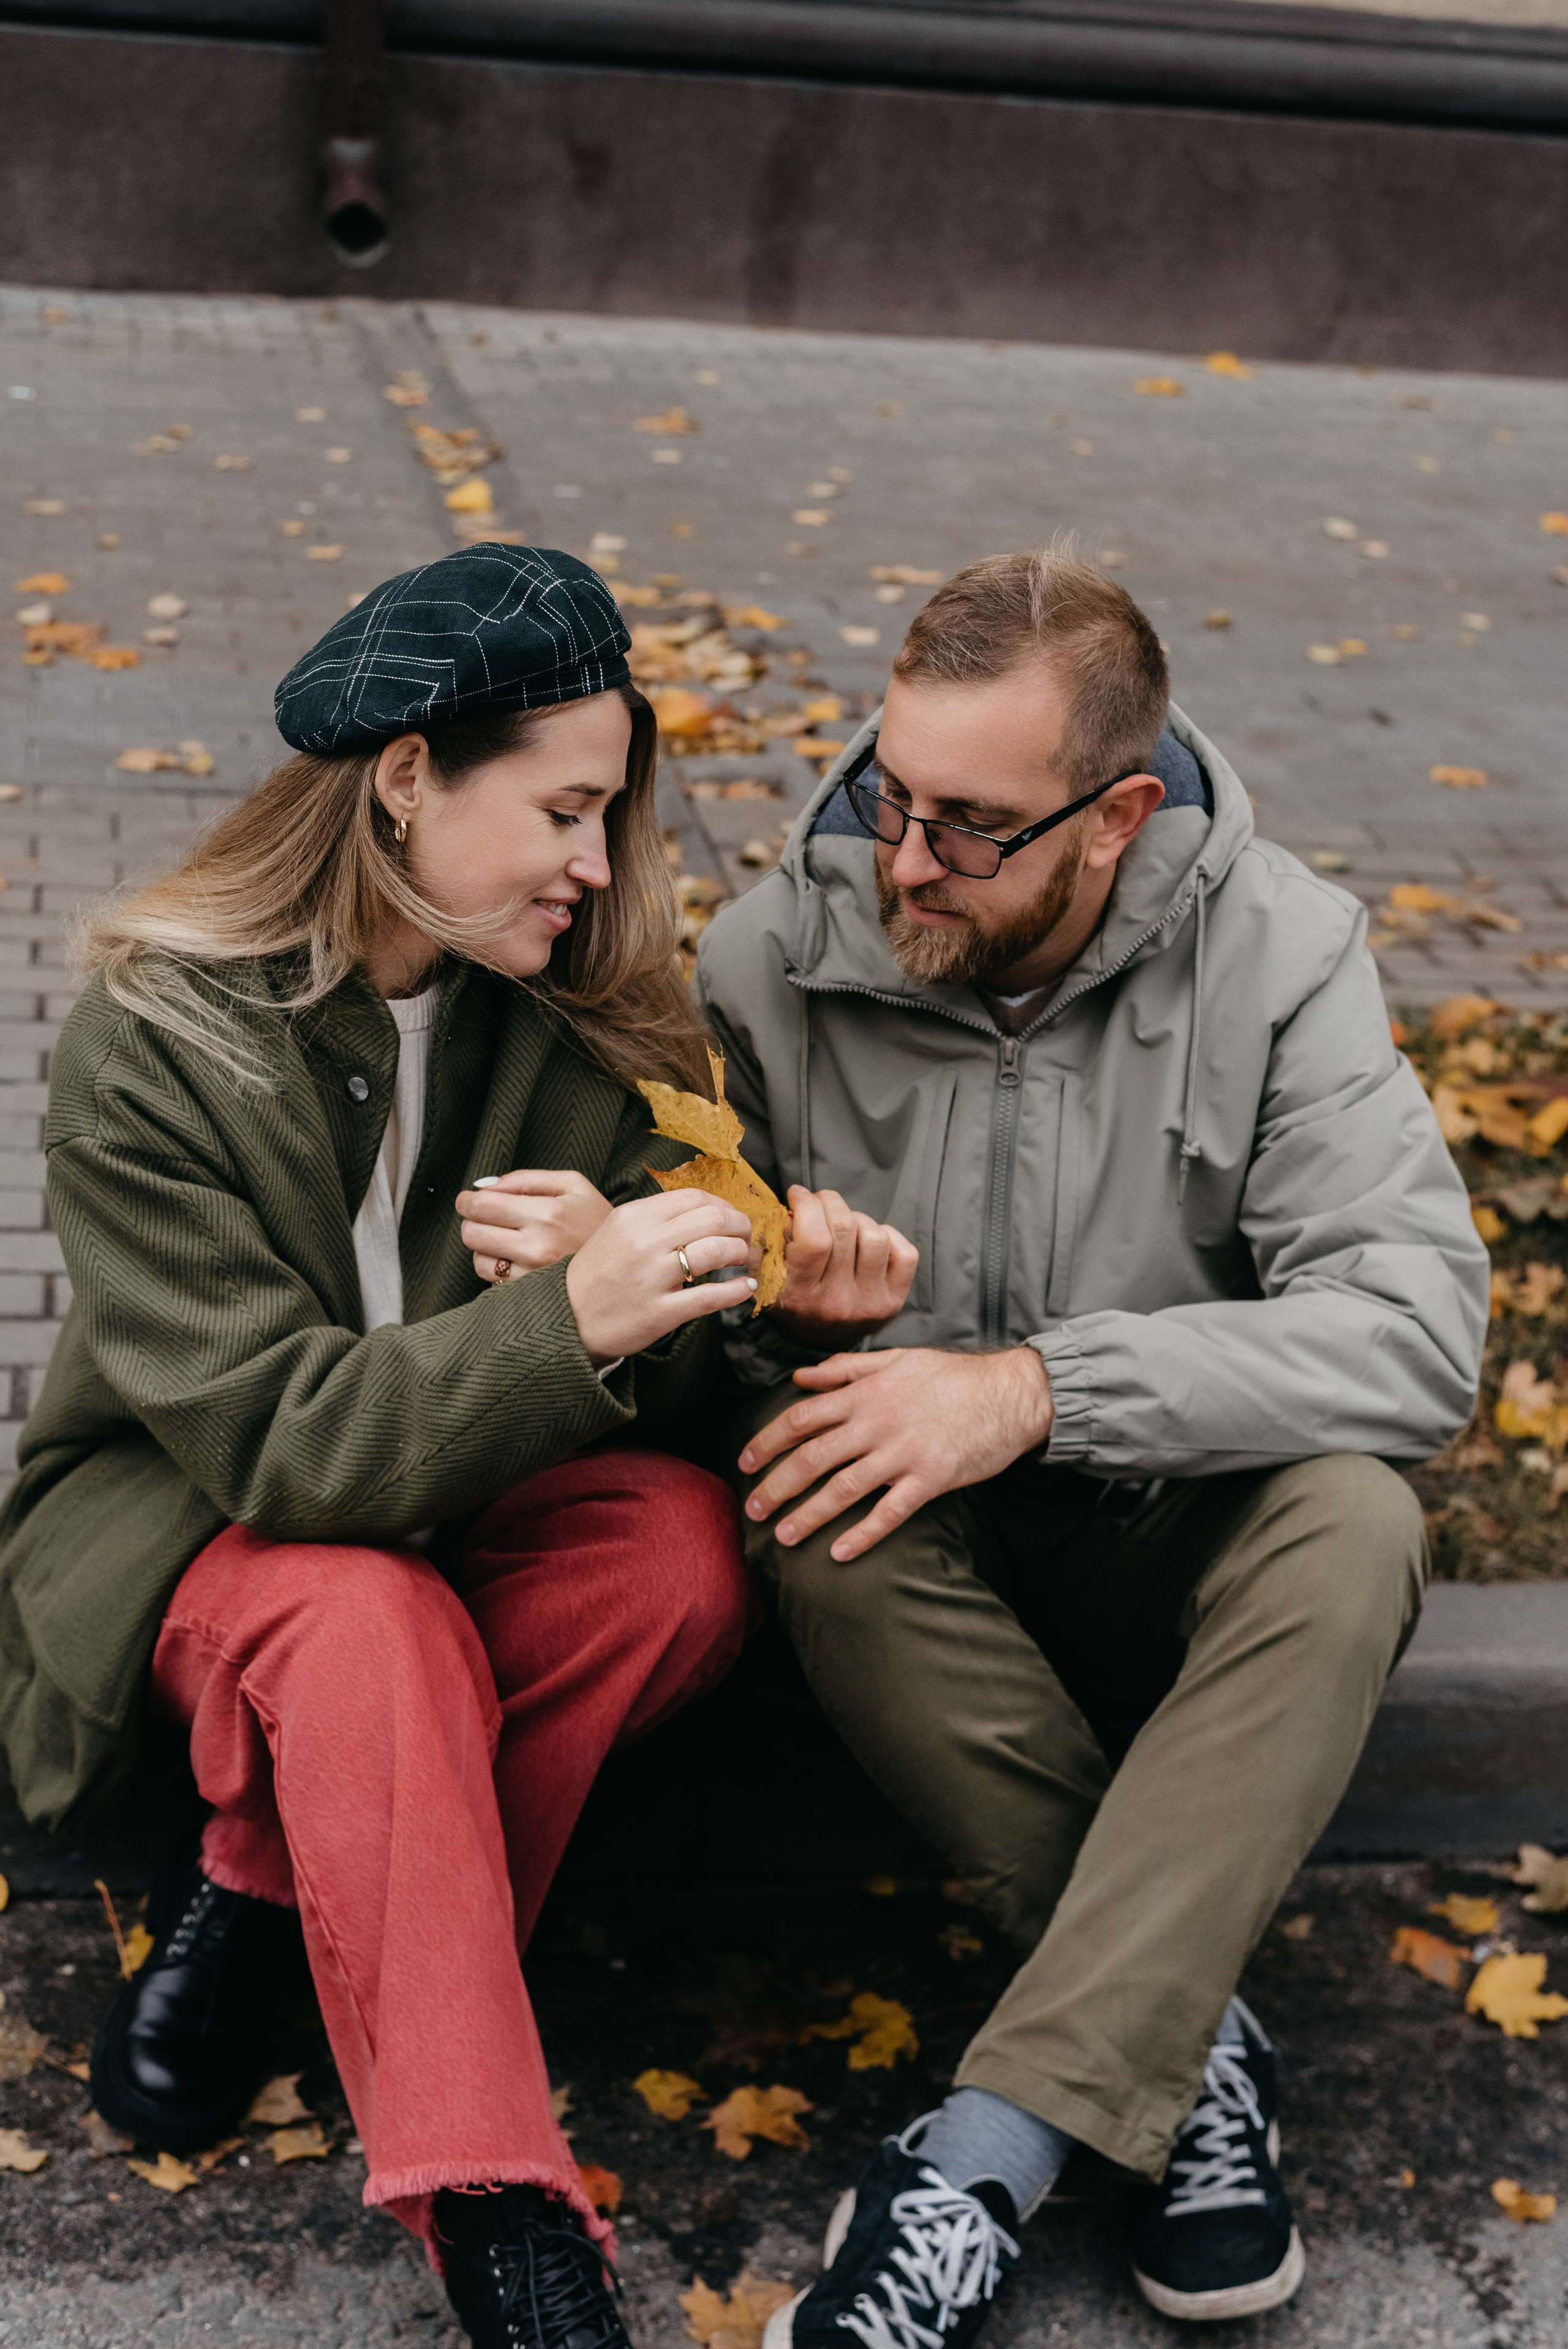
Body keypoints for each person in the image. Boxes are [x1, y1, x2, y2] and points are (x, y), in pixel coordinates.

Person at [694, 549, 1488, 2333]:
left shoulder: (1284, 954)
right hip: (920, 1600)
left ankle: (983, 2158)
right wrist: (786, 1325)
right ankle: (1186, 2045)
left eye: (975, 826)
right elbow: (698, 1349)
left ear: (1116, 816)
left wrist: (1038, 1390)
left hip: (1164, 1540)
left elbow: (1418, 1334)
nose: (906, 859)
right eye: (890, 791)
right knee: (807, 1488)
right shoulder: (767, 959)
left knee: (1357, 1523)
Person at [0, 545, 763, 2349]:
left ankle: (270, 1886)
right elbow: (278, 1446)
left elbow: (698, 1396)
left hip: (456, 1519)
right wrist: (568, 1321)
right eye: (562, 812)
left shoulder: (588, 1005)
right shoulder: (153, 1038)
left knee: (672, 1555)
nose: (599, 864)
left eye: (610, 813)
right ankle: (506, 2227)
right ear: (406, 776)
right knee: (366, 1613)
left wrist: (658, 1291)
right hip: (196, 1531)